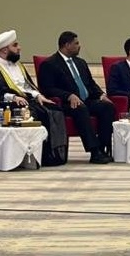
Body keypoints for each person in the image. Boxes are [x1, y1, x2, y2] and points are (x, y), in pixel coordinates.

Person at [0, 30, 68, 166]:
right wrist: (13, 97)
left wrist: (38, 95)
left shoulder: (18, 65)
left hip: (27, 100)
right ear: (5, 50)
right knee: (34, 112)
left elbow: (27, 86)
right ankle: (31, 157)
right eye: (15, 45)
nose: (19, 48)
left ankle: (54, 155)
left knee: (55, 110)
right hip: (6, 104)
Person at [37, 31, 116, 164]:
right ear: (67, 45)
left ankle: (103, 147)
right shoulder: (50, 64)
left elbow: (91, 84)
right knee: (80, 108)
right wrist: (68, 95)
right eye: (76, 43)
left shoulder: (81, 62)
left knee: (107, 107)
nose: (80, 46)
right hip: (65, 104)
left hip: (86, 100)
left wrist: (101, 95)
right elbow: (47, 88)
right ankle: (94, 151)